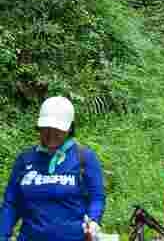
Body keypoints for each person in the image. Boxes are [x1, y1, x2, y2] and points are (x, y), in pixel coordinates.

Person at [0, 97, 106, 241]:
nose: (51, 134)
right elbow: (11, 203)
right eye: (46, 128)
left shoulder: (84, 157)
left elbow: (97, 197)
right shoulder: (25, 159)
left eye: (57, 129)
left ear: (69, 128)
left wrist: (93, 221)